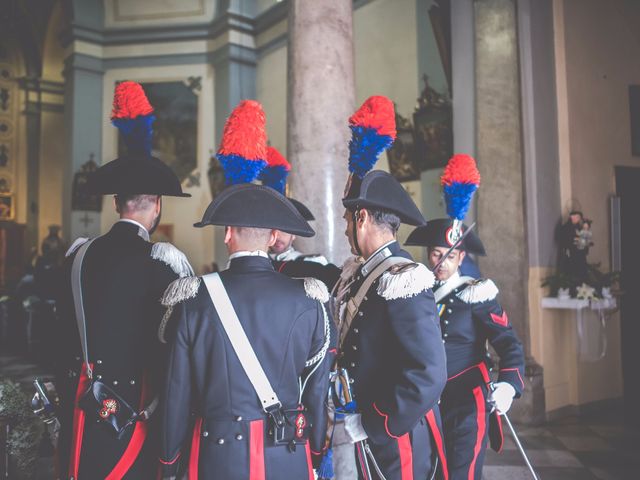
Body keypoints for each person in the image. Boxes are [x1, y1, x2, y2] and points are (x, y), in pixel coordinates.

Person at [158, 100, 332, 479]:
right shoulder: (310, 299)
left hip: (218, 459)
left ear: (227, 234)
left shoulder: (194, 298)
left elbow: (177, 391)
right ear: (272, 237)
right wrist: (316, 453)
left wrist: (169, 462)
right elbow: (317, 392)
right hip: (288, 456)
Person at [54, 81, 193, 479]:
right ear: (157, 207)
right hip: (137, 410)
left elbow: (60, 336)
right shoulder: (164, 262)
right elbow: (175, 350)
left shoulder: (77, 256)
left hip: (84, 403)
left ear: (115, 204)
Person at [332, 96, 447, 480]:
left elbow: (428, 372)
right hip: (365, 434)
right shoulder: (364, 272)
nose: (345, 228)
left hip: (393, 440)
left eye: (348, 219)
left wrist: (375, 422)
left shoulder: (403, 278)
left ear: (361, 218)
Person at [405, 218, 525, 480]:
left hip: (467, 402)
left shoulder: (476, 293)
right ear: (428, 255)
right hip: (429, 403)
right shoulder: (420, 293)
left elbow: (509, 344)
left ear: (461, 257)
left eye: (449, 256)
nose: (442, 262)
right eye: (436, 254)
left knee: (462, 473)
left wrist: (508, 385)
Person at [261, 146, 341, 289]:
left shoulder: (313, 264)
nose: (277, 236)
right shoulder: (257, 264)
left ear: (293, 234)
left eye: (284, 230)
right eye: (273, 229)